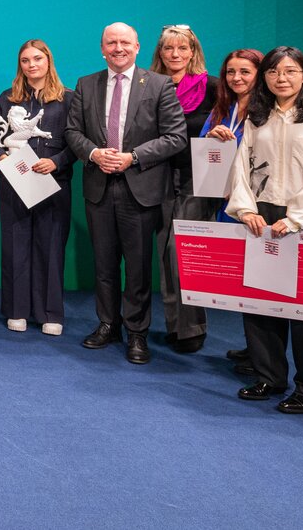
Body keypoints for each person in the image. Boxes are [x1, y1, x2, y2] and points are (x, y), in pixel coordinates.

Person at [226, 46, 303, 414]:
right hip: (261, 216)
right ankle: (269, 375)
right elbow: (241, 165)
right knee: (260, 302)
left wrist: (297, 218)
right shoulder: (257, 117)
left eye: (290, 71)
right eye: (273, 72)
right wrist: (246, 209)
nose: (281, 78)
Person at [64, 22, 185, 365]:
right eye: (111, 43)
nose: (118, 48)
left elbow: (175, 136)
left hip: (141, 189)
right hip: (99, 187)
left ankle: (137, 332)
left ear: (137, 47)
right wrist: (93, 153)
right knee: (104, 264)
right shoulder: (86, 84)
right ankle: (108, 324)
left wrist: (133, 157)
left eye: (125, 42)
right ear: (103, 48)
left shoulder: (159, 84)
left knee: (138, 267)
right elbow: (72, 131)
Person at [0, 40, 75, 336]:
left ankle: (50, 312)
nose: (31, 65)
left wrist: (56, 162)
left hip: (54, 182)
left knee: (50, 246)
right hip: (15, 181)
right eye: (25, 60)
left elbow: (78, 142)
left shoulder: (68, 99)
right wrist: (1, 156)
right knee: (16, 246)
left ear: (48, 61)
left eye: (37, 58)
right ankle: (17, 310)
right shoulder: (7, 98)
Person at [148, 24, 218, 354]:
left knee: (187, 251)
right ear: (160, 53)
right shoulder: (150, 86)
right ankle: (176, 325)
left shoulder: (212, 87)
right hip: (160, 176)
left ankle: (193, 327)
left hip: (199, 178)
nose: (175, 54)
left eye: (182, 48)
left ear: (193, 52)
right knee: (165, 251)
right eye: (168, 48)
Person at [198, 49, 264, 373]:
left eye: (245, 72)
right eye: (230, 72)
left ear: (260, 74)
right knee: (243, 279)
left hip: (257, 205)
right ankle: (254, 346)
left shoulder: (267, 111)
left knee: (261, 279)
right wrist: (212, 136)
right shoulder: (224, 108)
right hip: (228, 203)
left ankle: (264, 356)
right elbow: (202, 146)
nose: (236, 78)